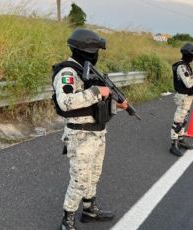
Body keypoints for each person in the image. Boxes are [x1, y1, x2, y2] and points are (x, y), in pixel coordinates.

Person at [52, 28, 128, 230]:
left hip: (97, 132)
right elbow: (66, 102)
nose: (97, 55)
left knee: (94, 175)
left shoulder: (87, 71)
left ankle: (89, 209)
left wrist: (116, 104)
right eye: (95, 50)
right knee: (79, 180)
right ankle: (67, 221)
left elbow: (97, 104)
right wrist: (97, 91)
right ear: (85, 50)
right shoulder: (67, 72)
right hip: (80, 134)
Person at [169, 43, 193, 157]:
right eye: (192, 55)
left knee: (183, 119)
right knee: (178, 121)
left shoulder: (186, 65)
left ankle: (181, 140)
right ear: (187, 55)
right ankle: (173, 145)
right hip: (183, 97)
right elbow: (188, 83)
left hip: (187, 97)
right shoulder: (182, 67)